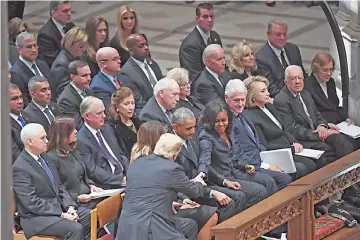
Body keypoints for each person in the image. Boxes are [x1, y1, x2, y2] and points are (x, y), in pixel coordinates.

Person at [116, 132, 211, 240]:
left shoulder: (136, 163)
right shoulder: (172, 168)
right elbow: (194, 191)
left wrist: (169, 202)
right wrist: (199, 181)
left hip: (127, 226)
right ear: (174, 154)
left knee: (189, 226)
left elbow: (148, 191)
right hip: (150, 228)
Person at [13, 123, 91, 240]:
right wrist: (61, 213)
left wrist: (70, 206)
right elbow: (32, 202)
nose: (47, 141)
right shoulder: (20, 167)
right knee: (75, 228)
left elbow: (59, 186)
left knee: (90, 216)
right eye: (42, 138)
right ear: (29, 141)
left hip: (57, 209)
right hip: (36, 218)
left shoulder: (45, 158)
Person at [173, 107, 247, 222]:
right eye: (188, 128)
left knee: (239, 196)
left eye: (194, 127)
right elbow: (178, 182)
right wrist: (212, 193)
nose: (193, 131)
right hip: (188, 191)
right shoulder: (170, 146)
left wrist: (224, 181)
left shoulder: (193, 138)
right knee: (229, 203)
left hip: (202, 185)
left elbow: (204, 165)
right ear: (175, 127)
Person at [243, 76, 325, 172]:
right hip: (279, 153)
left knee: (321, 159)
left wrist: (295, 142)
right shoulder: (251, 116)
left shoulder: (269, 107)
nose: (268, 93)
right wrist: (290, 148)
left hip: (289, 146)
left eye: (267, 90)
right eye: (263, 91)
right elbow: (265, 145)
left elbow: (284, 129)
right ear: (252, 96)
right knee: (308, 165)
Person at [198, 99, 271, 207]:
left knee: (268, 181)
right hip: (223, 178)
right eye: (216, 121)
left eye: (224, 120)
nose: (221, 124)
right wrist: (203, 175)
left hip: (236, 171)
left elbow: (232, 156)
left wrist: (245, 165)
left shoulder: (229, 130)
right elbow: (205, 162)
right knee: (259, 191)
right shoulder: (206, 137)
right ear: (209, 120)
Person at [273, 65, 354, 163]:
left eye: (300, 78)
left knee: (343, 141)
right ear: (286, 82)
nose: (297, 81)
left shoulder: (305, 93)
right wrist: (319, 135)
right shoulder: (281, 100)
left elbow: (317, 115)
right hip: (304, 139)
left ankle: (352, 174)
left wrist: (322, 126)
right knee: (329, 151)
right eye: (293, 79)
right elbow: (292, 129)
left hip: (318, 133)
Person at [46, 116, 104, 209]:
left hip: (89, 196)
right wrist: (76, 198)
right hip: (74, 203)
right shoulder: (51, 158)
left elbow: (84, 175)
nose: (76, 131)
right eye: (72, 129)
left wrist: (91, 185)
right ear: (63, 133)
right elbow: (59, 188)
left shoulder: (74, 151)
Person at [77, 96, 128, 189]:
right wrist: (120, 180)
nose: (104, 116)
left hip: (126, 178)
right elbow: (93, 170)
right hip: (109, 185)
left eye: (103, 112)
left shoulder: (107, 128)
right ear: (87, 116)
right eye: (99, 113)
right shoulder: (81, 139)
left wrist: (130, 173)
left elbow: (121, 155)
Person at [256, 19, 307, 97]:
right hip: (281, 101)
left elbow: (303, 75)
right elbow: (271, 89)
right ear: (268, 34)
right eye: (278, 34)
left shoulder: (293, 49)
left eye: (284, 34)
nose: (282, 38)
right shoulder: (261, 59)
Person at [179, 2, 222, 83]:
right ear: (197, 18)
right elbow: (194, 76)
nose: (209, 20)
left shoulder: (215, 36)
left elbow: (222, 64)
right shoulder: (190, 45)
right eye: (205, 17)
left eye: (211, 16)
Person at [10, 32, 51, 106]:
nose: (34, 50)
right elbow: (23, 102)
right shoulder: (15, 73)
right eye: (29, 47)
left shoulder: (43, 65)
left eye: (35, 46)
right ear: (19, 50)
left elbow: (53, 89)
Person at [120, 33, 162, 104]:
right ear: (131, 50)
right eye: (141, 46)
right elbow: (138, 101)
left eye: (146, 44)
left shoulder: (151, 62)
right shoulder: (126, 72)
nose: (146, 47)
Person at [50, 27, 88, 100]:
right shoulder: (61, 65)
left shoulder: (79, 57)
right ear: (70, 45)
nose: (84, 49)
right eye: (81, 46)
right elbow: (63, 91)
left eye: (84, 46)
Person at [106, 87, 143, 159]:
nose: (131, 107)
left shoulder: (136, 121)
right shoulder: (113, 128)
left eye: (132, 103)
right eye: (126, 104)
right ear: (116, 107)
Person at [37, 1, 76, 67]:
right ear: (53, 13)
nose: (69, 14)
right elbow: (54, 61)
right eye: (65, 11)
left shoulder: (71, 26)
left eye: (69, 10)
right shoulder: (45, 35)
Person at [57, 60, 93, 130]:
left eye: (89, 75)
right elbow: (78, 126)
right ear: (73, 77)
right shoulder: (66, 100)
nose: (89, 78)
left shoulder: (88, 90)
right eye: (84, 75)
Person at [9, 83, 27, 163]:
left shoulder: (28, 114)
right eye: (14, 99)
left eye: (21, 97)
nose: (20, 101)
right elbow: (16, 158)